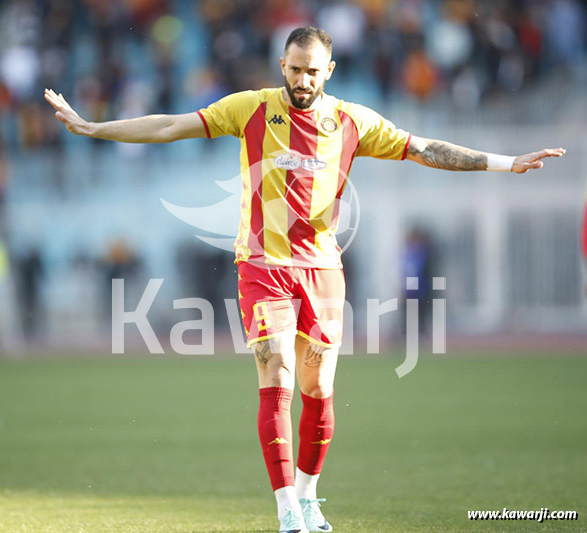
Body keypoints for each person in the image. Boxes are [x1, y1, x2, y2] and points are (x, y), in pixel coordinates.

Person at [45, 26, 565, 533]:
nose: (302, 80)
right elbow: (168, 126)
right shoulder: (249, 107)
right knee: (277, 374)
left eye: (312, 72)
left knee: (319, 387)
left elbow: (425, 148)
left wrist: (506, 163)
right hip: (263, 267)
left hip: (322, 270)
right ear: (282, 66)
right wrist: (96, 128)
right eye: (294, 70)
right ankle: (286, 509)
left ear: (329, 71)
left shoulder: (351, 121)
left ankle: (310, 497)